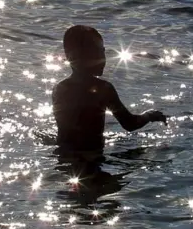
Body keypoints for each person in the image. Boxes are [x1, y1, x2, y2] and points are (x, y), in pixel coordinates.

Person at [52, 25, 167, 154]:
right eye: (96, 53)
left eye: (102, 51)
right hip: (92, 155)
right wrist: (149, 115)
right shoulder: (103, 89)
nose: (102, 59)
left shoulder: (59, 88)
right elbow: (129, 124)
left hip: (63, 154)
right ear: (73, 56)